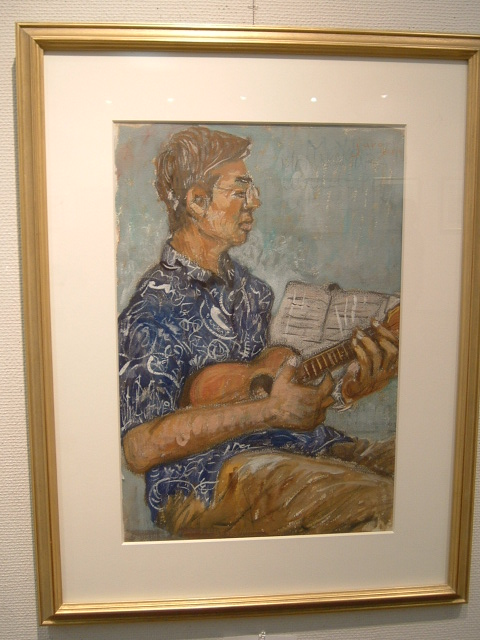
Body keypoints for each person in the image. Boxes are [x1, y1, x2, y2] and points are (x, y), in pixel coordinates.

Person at [118, 125, 398, 539]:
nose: (255, 201)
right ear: (196, 201)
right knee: (384, 501)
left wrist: (347, 389)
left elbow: (266, 386)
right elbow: (139, 447)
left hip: (292, 447)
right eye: (240, 190)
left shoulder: (253, 292)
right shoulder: (152, 308)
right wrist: (268, 413)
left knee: (415, 472)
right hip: (205, 479)